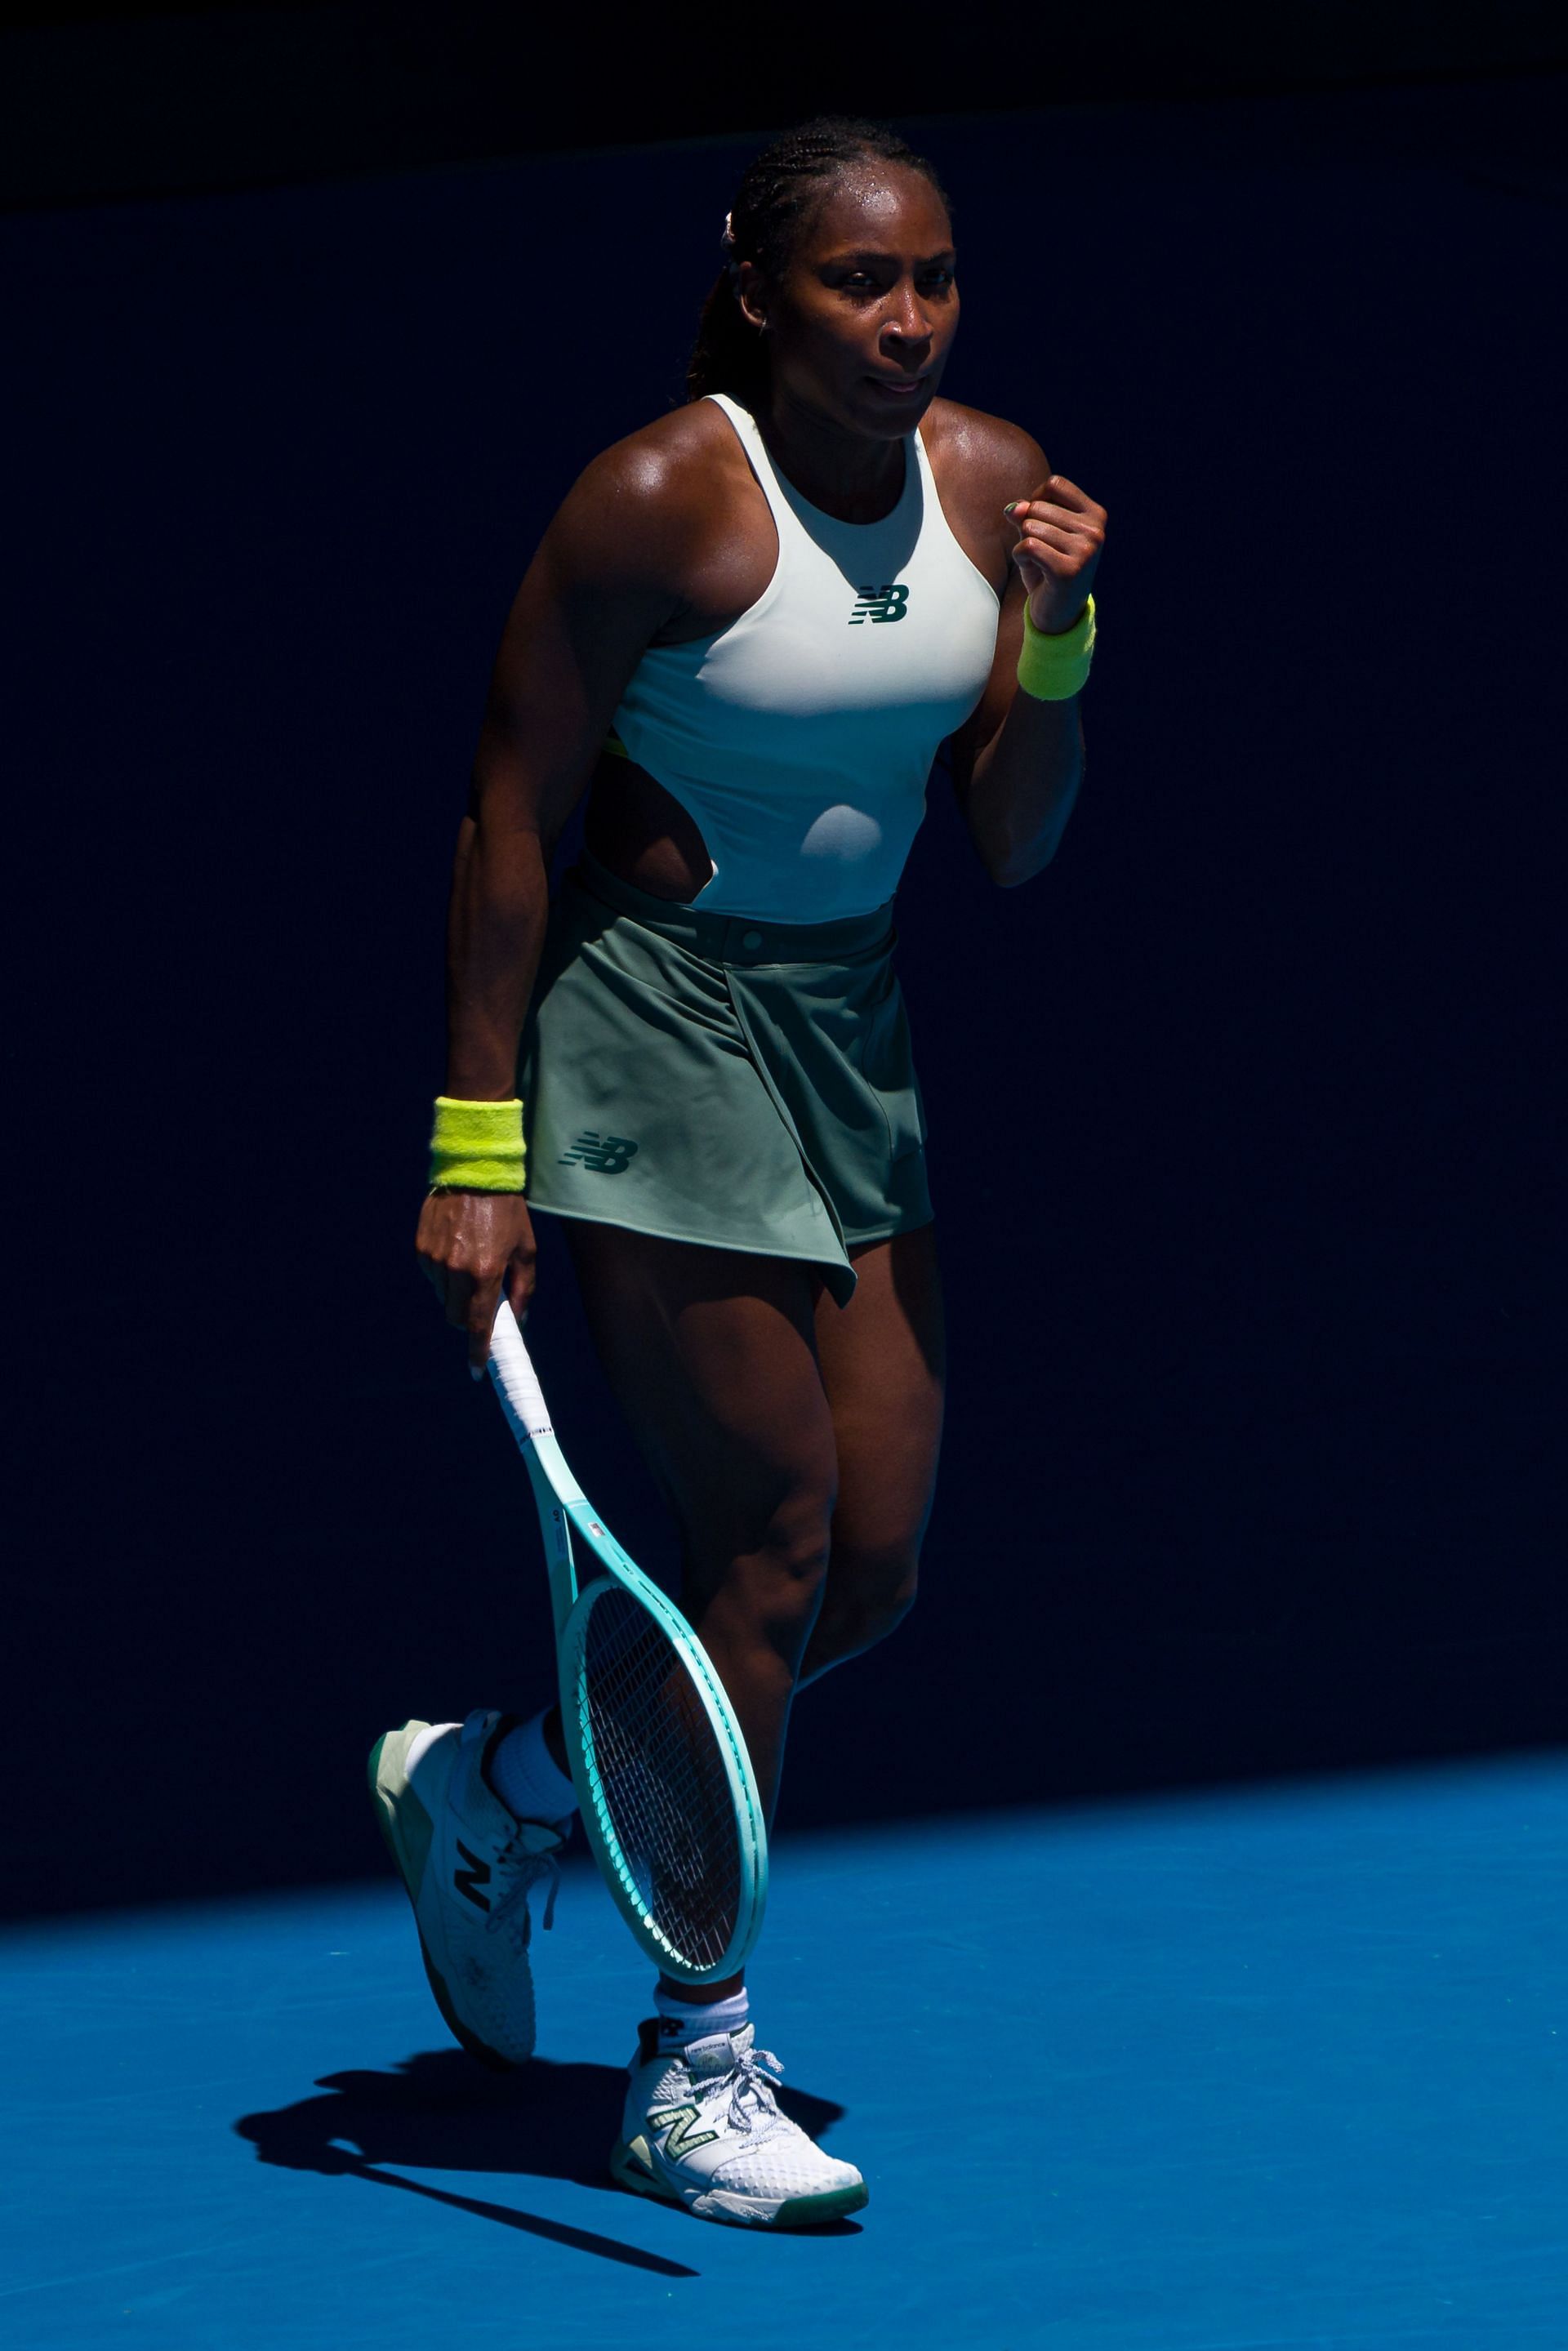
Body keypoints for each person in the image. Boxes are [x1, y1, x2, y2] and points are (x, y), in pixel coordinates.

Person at [370, 115, 1105, 2231]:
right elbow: (506, 822)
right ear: (763, 300)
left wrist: (1053, 638)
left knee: (869, 1559)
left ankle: (495, 1787)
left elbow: (1017, 838)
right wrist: (476, 1146)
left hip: (844, 1025)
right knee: (767, 1529)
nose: (908, 321)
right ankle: (693, 2066)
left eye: (939, 280)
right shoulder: (657, 502)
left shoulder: (992, 487)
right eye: (862, 283)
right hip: (645, 1020)